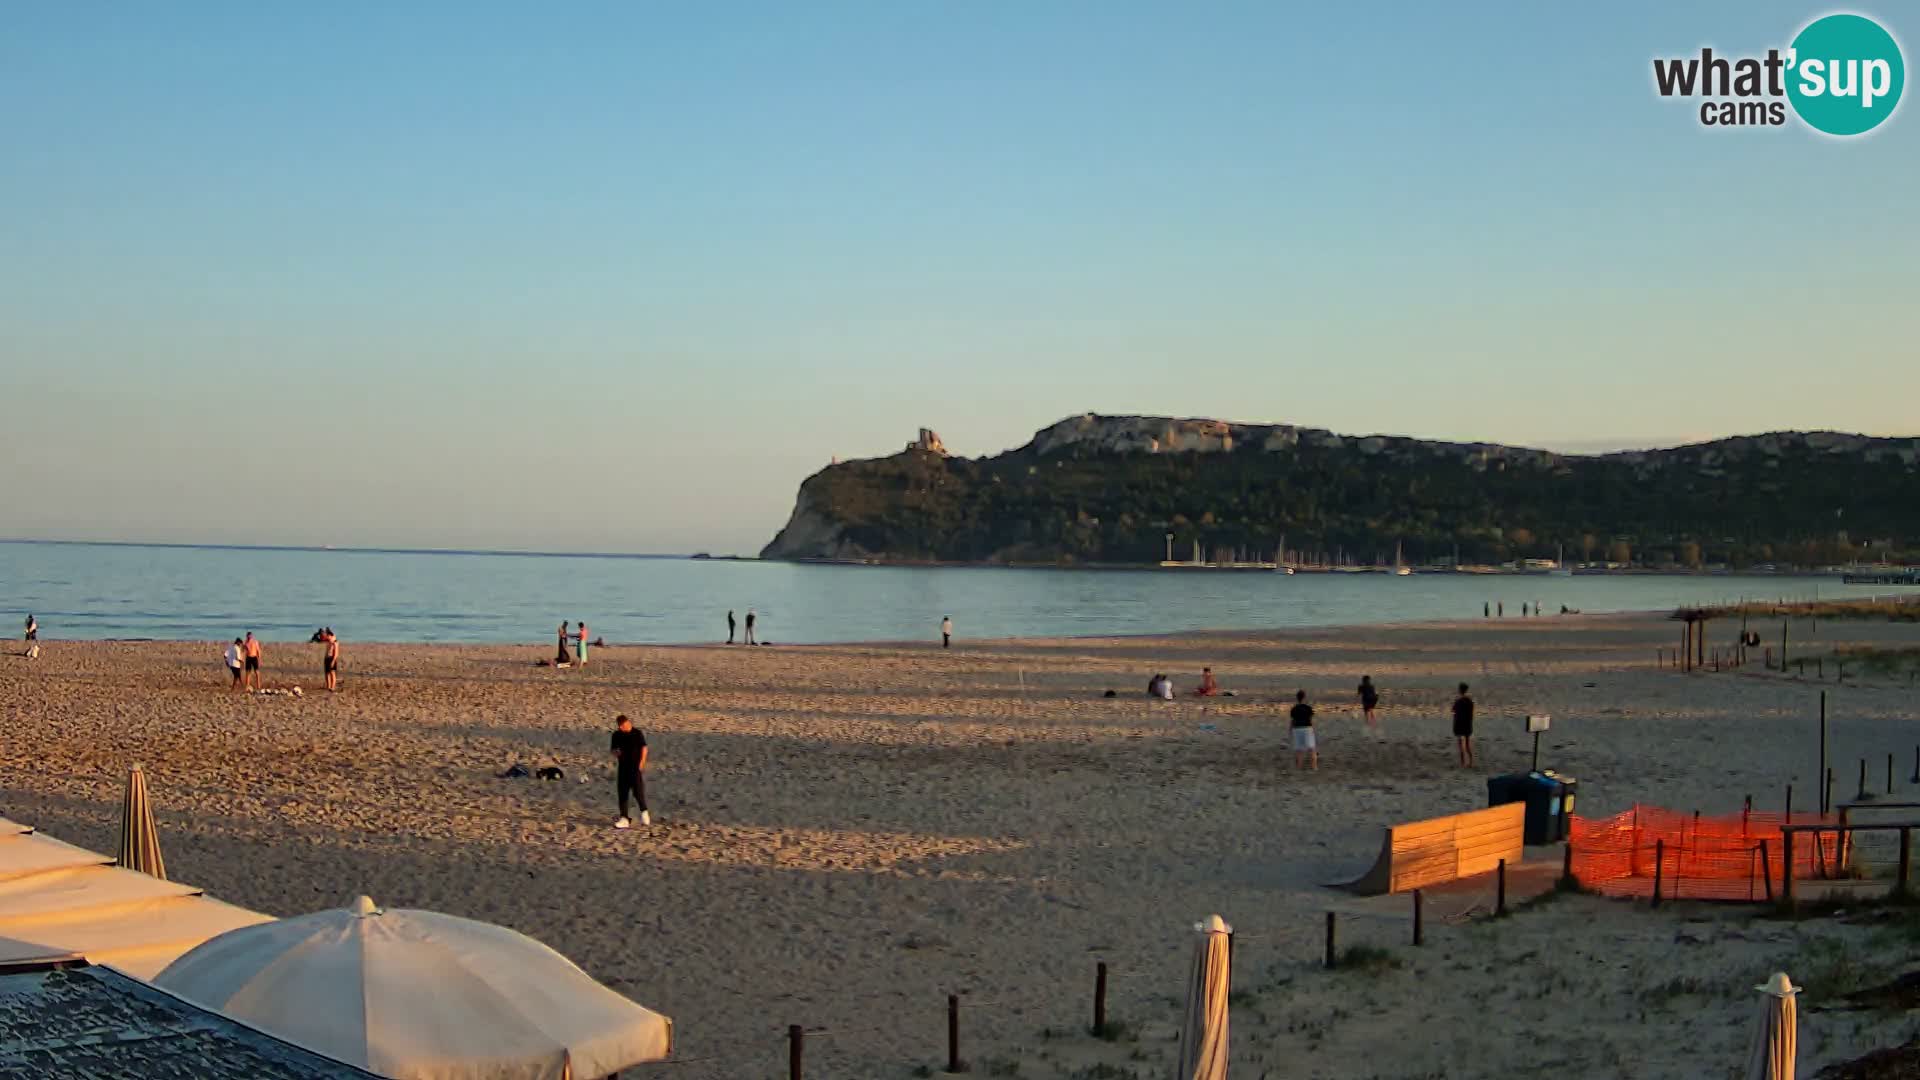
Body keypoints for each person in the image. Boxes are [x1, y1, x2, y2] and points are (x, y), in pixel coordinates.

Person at [609, 713, 649, 828]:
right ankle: (624, 818)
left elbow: (644, 748)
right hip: (623, 767)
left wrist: (642, 763)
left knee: (638, 791)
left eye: (623, 725)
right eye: (619, 726)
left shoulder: (637, 733)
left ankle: (644, 812)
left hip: (635, 767)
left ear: (628, 723)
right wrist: (616, 753)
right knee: (622, 793)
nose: (621, 728)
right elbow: (613, 750)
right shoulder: (616, 735)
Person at [1289, 690, 1318, 770]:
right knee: (1312, 749)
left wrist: (1290, 730)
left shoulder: (1294, 709)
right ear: (1304, 697)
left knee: (1299, 749)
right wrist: (1313, 730)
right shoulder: (1308, 708)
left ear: (1297, 698)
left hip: (1297, 729)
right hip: (1307, 728)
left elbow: (1292, 721)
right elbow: (1311, 721)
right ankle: (1314, 767)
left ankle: (1299, 767)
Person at [1452, 682, 1476, 768]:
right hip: (1467, 724)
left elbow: (1453, 711)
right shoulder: (1470, 701)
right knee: (1467, 745)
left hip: (1459, 724)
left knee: (1460, 745)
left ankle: (1463, 763)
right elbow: (1471, 713)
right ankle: (1471, 762)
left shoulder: (1458, 701)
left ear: (1460, 690)